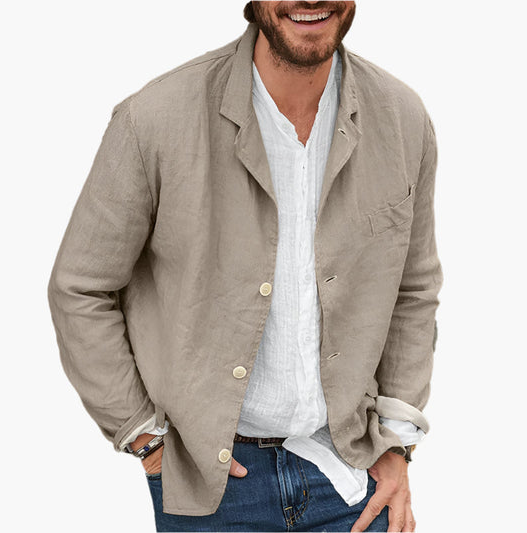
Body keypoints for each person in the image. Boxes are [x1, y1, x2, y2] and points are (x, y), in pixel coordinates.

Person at [47, 1, 443, 531]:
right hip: (213, 491)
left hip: (353, 479)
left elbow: (413, 289)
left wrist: (396, 444)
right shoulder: (155, 118)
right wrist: (143, 436)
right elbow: (81, 287)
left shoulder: (402, 118)